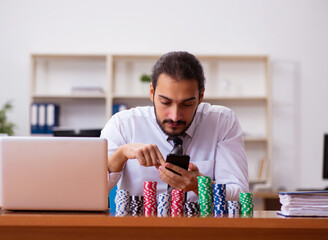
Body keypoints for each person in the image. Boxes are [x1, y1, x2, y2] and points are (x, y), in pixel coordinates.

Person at [101, 51, 248, 201]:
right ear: (152, 92)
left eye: (187, 104)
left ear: (200, 97)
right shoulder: (123, 125)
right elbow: (89, 193)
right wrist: (120, 155)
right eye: (165, 102)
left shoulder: (222, 122)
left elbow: (241, 196)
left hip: (202, 224)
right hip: (138, 224)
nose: (175, 116)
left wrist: (201, 186)